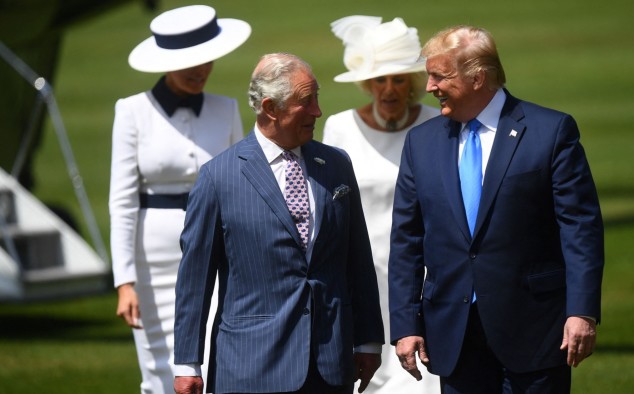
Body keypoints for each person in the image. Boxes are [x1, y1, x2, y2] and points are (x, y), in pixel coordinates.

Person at [388, 25, 604, 393]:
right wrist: (406, 325)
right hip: (453, 332)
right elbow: (407, 238)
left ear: (478, 78)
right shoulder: (421, 142)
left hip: (534, 330)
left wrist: (581, 311)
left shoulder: (550, 131)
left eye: (439, 76)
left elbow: (580, 227)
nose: (429, 87)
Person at [173, 53, 385, 394]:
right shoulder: (218, 177)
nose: (318, 110)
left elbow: (356, 257)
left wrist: (368, 340)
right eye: (307, 101)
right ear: (271, 108)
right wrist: (187, 363)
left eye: (317, 97)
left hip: (329, 363)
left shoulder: (335, 164)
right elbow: (195, 279)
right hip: (251, 366)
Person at [108, 5, 250, 393]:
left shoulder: (227, 108)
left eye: (206, 59)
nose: (200, 69)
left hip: (218, 248)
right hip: (152, 259)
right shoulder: (133, 110)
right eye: (188, 62)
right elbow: (121, 200)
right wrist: (125, 281)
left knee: (212, 354)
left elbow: (242, 184)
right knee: (159, 366)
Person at [322, 15, 440, 393]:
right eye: (380, 79)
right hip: (363, 271)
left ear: (413, 83)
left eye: (398, 79)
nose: (389, 89)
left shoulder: (436, 123)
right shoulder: (340, 127)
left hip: (421, 269)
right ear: (367, 83)